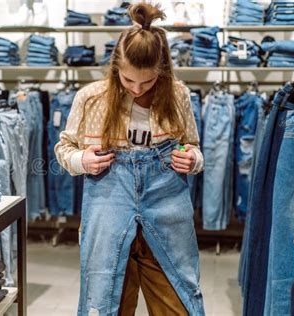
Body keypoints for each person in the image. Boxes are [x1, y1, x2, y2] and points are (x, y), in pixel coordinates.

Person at [55, 2, 205, 315]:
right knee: (107, 300)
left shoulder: (177, 95)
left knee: (178, 302)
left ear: (161, 72)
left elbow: (193, 146)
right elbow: (63, 149)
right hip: (109, 196)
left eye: (147, 81)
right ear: (115, 70)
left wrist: (191, 159)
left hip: (166, 200)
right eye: (128, 80)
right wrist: (83, 160)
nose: (137, 89)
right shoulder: (91, 97)